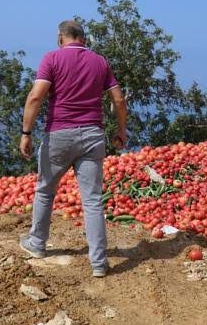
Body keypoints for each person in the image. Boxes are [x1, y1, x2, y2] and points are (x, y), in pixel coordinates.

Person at [18, 20, 127, 278]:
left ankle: (37, 244)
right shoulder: (100, 62)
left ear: (60, 38)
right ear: (83, 39)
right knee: (92, 200)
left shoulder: (52, 59)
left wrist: (26, 132)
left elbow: (36, 96)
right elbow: (119, 100)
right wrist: (121, 131)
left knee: (45, 191)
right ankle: (99, 263)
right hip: (92, 135)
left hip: (59, 135)